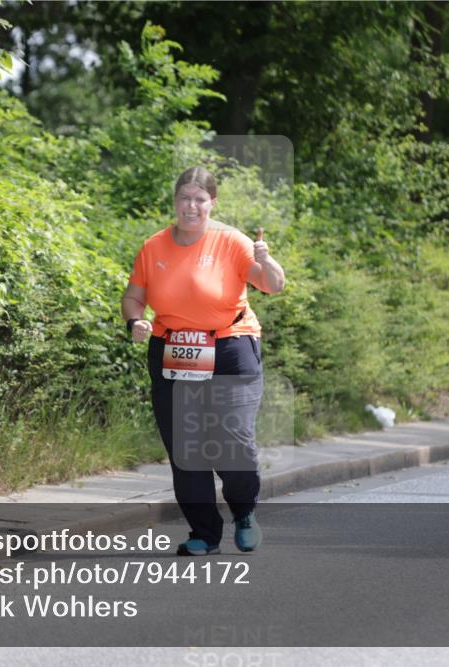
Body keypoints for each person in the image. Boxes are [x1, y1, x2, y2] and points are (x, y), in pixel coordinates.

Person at [121, 166, 286, 556]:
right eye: (184, 198)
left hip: (230, 346)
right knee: (186, 445)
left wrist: (267, 260)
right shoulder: (153, 247)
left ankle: (244, 512)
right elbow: (133, 296)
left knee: (233, 440)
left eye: (199, 199)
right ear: (175, 201)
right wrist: (135, 321)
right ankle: (204, 532)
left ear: (212, 203)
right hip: (172, 350)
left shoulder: (231, 241)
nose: (191, 206)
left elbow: (273, 285)